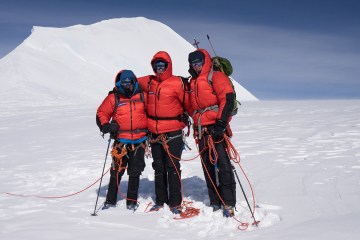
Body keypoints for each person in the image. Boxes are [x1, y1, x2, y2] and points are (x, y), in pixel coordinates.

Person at [137, 51, 191, 214]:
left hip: (173, 133)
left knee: (173, 167)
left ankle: (175, 202)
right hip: (154, 134)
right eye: (156, 66)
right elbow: (130, 81)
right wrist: (117, 89)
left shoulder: (178, 83)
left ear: (168, 66)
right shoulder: (149, 82)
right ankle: (160, 200)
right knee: (158, 167)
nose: (159, 69)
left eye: (162, 65)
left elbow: (189, 103)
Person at [187, 48, 237, 217]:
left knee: (223, 166)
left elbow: (227, 99)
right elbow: (190, 106)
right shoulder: (192, 83)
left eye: (199, 63)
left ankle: (228, 202)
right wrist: (195, 118)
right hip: (202, 131)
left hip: (217, 128)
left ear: (205, 61)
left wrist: (221, 124)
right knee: (208, 167)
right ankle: (215, 201)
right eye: (194, 64)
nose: (197, 66)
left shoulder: (216, 76)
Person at [96, 69, 148, 211]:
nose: (127, 86)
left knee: (135, 171)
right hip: (121, 141)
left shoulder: (143, 96)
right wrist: (106, 125)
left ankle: (131, 201)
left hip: (139, 140)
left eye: (129, 83)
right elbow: (102, 112)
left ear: (134, 82)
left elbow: (153, 110)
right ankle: (110, 200)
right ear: (120, 83)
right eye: (124, 83)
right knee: (117, 170)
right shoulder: (114, 97)